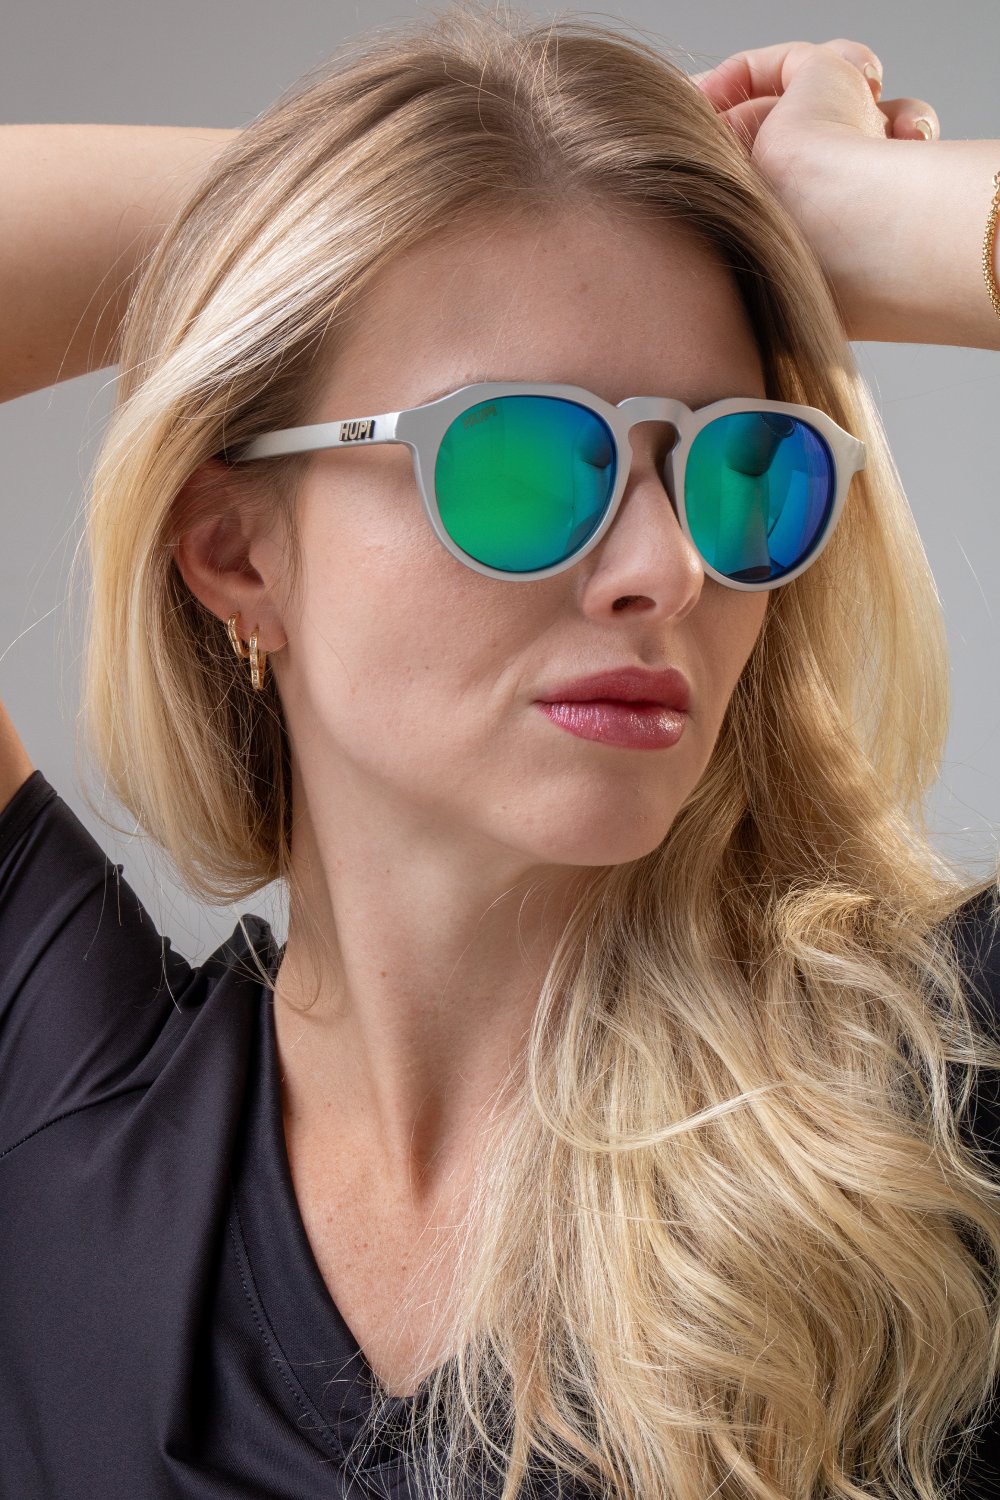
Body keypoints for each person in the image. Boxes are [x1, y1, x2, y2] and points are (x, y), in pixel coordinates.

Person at [2, 5, 1000, 1498]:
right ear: (235, 552)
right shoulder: (58, 1108)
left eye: (739, 468)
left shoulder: (939, 1103)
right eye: (525, 457)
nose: (665, 568)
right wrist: (357, 192)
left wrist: (876, 217)